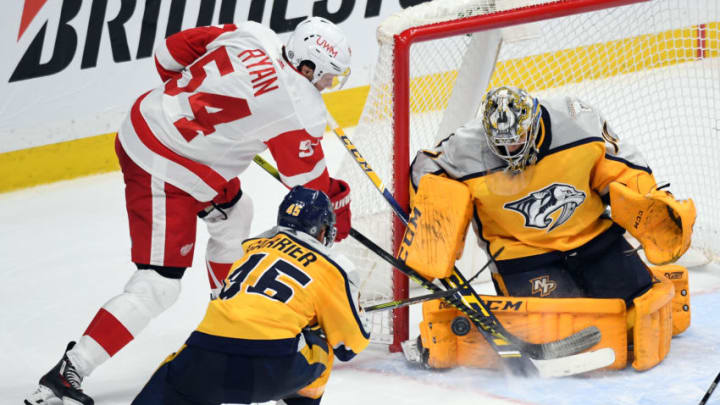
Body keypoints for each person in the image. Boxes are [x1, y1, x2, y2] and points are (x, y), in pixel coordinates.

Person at [26, 16, 354, 405]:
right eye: (327, 77)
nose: (328, 86)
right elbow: (309, 187)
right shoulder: (298, 106)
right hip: (162, 166)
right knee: (158, 285)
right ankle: (66, 373)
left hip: (157, 126)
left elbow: (168, 55)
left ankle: (231, 322)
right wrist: (340, 208)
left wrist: (200, 118)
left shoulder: (250, 34)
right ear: (306, 67)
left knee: (235, 216)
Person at [404, 86, 695, 369]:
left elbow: (623, 167)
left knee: (633, 308)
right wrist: (433, 217)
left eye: (516, 141)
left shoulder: (576, 122)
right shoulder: (465, 146)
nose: (509, 151)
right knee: (559, 328)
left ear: (532, 125)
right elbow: (423, 168)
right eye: (501, 144)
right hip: (522, 256)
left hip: (592, 236)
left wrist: (650, 199)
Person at [132, 186, 369, 404]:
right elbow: (349, 347)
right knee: (319, 333)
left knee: (175, 373)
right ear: (323, 230)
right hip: (271, 371)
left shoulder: (249, 251)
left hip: (205, 356)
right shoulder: (332, 267)